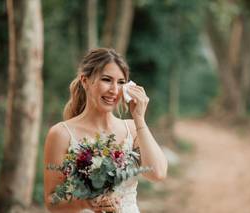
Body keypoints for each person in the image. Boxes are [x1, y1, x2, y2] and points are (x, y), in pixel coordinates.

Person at [44, 48, 168, 213]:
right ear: (85, 81)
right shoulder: (61, 134)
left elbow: (158, 174)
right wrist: (86, 202)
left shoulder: (132, 128)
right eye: (107, 80)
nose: (114, 90)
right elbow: (52, 201)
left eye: (121, 82)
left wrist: (139, 119)